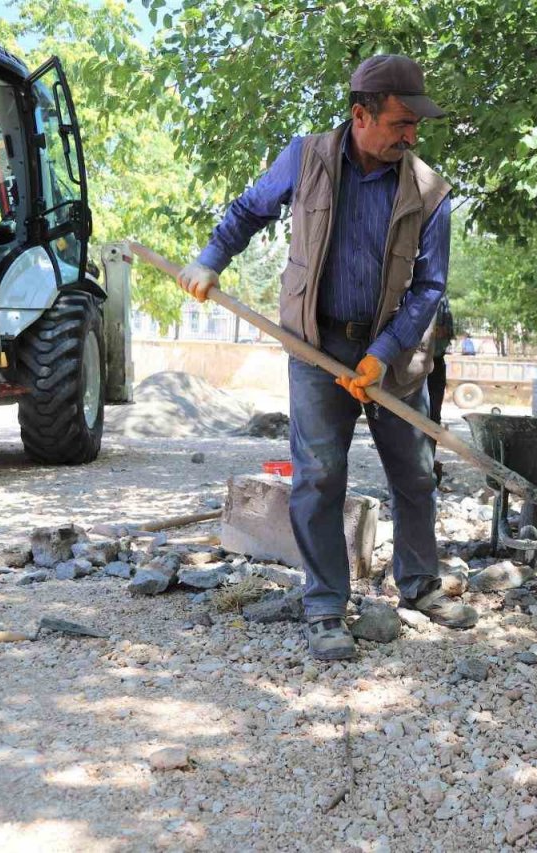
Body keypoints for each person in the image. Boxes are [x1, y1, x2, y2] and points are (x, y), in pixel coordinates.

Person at [177, 54, 477, 661]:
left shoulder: (430, 189)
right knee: (317, 477)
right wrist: (210, 261)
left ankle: (419, 585)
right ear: (360, 115)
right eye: (400, 123)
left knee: (414, 472)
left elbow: (429, 287)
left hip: (395, 351)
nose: (411, 136)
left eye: (416, 125)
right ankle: (323, 605)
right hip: (314, 346)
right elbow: (249, 210)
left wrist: (383, 353)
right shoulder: (306, 156)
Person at [427, 295, 455, 484]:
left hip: (434, 364)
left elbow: (446, 332)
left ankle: (427, 464)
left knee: (432, 418)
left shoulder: (439, 299)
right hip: (407, 365)